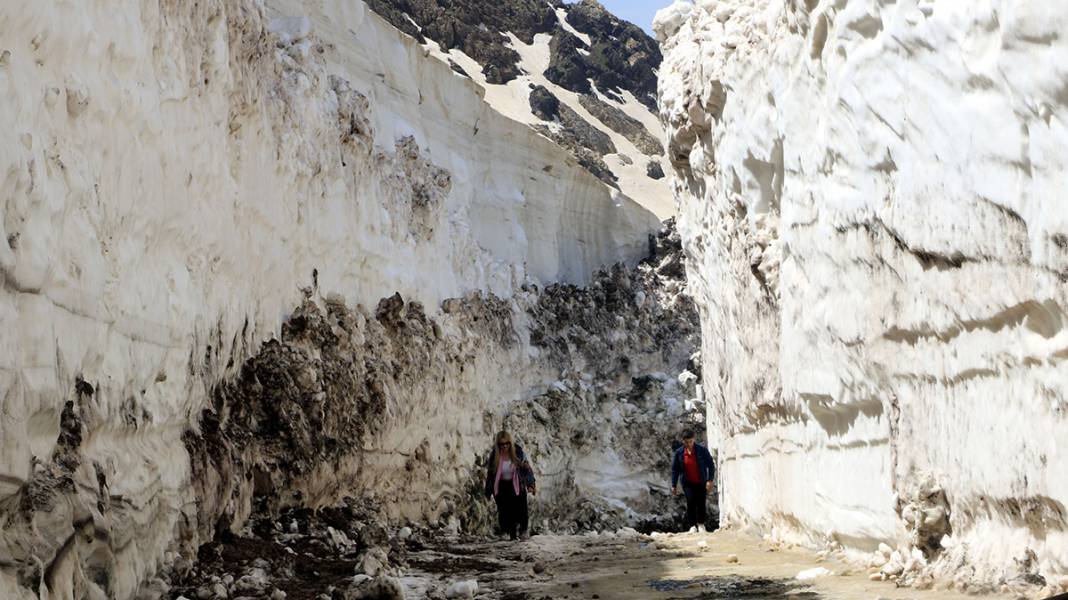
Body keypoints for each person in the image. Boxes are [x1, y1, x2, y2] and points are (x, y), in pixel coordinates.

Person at [484, 431, 536, 540]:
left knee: (521, 509)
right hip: (501, 485)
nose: (504, 446)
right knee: (504, 511)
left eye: (506, 443)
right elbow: (490, 473)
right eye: (501, 444)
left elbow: (527, 469)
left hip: (517, 483)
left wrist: (530, 484)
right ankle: (507, 533)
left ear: (510, 443)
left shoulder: (518, 452)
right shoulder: (495, 455)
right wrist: (488, 491)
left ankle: (523, 530)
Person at [671, 429, 715, 533]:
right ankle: (692, 526)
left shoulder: (702, 450)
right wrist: (674, 484)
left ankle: (701, 524)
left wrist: (710, 480)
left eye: (691, 441)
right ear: (683, 441)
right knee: (690, 502)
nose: (689, 444)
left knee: (701, 502)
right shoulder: (679, 453)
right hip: (687, 482)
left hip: (701, 481)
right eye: (687, 442)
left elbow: (711, 465)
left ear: (694, 439)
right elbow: (675, 469)